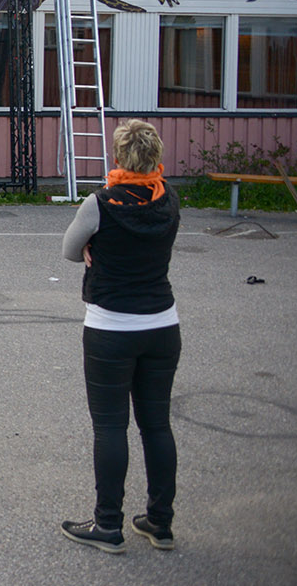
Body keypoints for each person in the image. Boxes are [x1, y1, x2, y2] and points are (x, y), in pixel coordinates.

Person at [59, 119, 182, 555]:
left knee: (111, 426)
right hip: (163, 324)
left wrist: (95, 247)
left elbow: (70, 251)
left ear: (118, 157)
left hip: (112, 326)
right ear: (155, 156)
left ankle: (108, 524)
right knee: (156, 425)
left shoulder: (100, 203)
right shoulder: (168, 197)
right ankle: (160, 522)